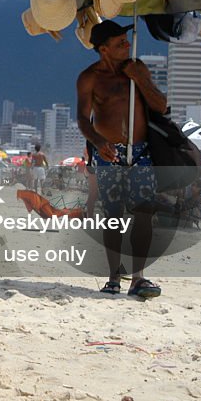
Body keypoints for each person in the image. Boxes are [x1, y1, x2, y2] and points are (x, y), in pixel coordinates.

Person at [76, 20, 167, 300]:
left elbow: (161, 106)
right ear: (104, 49)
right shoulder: (89, 77)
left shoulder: (137, 69)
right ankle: (114, 277)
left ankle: (138, 278)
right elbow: (82, 118)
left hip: (141, 151)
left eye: (126, 41)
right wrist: (98, 142)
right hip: (108, 154)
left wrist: (141, 79)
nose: (127, 45)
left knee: (143, 215)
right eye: (120, 43)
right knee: (113, 216)